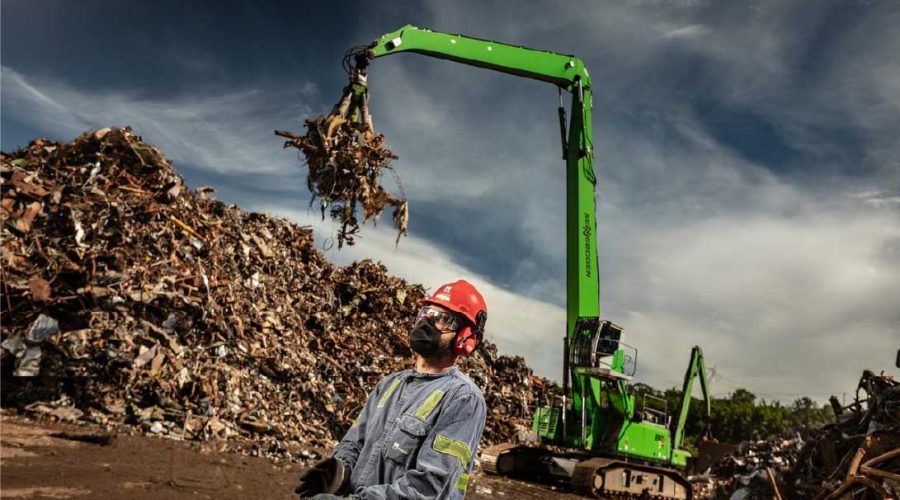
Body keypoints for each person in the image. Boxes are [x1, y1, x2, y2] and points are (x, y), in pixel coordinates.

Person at [295, 280, 488, 499]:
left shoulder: (463, 399)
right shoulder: (390, 384)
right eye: (426, 312)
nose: (427, 322)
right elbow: (354, 443)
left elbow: (427, 488)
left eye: (444, 319)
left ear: (464, 338)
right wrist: (340, 470)